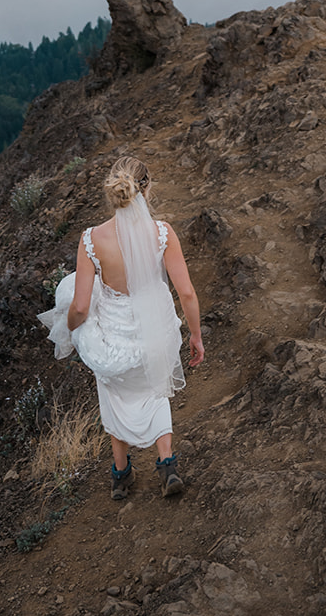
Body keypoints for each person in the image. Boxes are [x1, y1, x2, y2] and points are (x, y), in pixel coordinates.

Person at [37, 154, 204, 499]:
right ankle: (167, 464)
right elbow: (186, 292)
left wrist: (68, 330)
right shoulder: (163, 233)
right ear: (146, 188)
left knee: (114, 393)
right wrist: (196, 335)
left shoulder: (91, 240)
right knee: (156, 390)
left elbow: (81, 306)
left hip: (113, 337)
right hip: (156, 329)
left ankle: (121, 476)